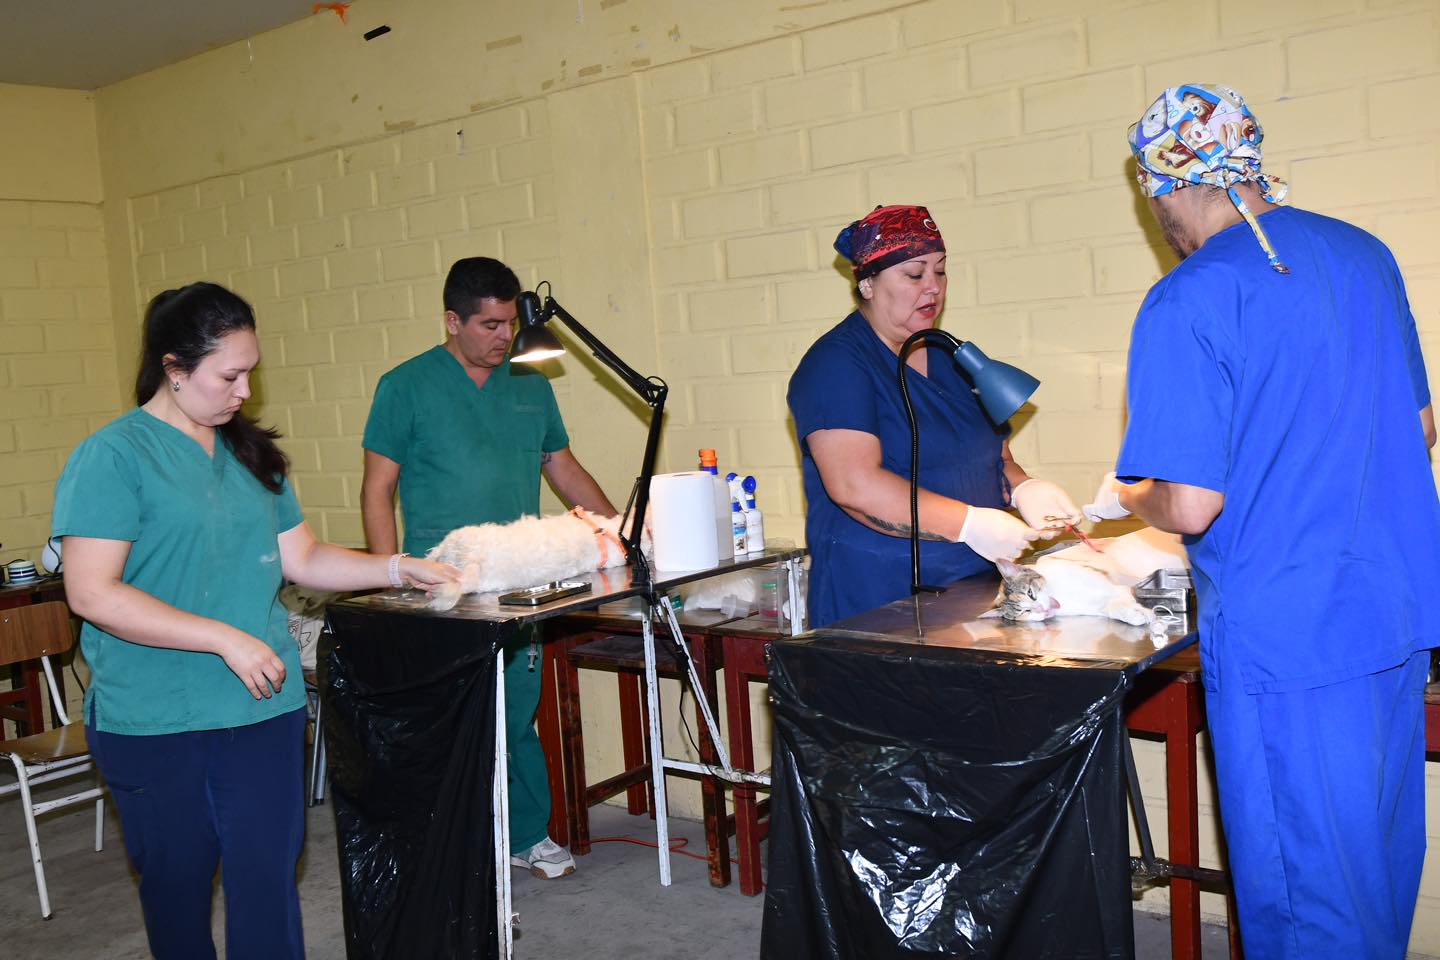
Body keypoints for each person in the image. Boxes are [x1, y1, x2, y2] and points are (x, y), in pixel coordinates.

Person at [1084, 84, 1440, 959]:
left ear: (1163, 185)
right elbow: (1420, 426)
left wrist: (1130, 492)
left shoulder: (1190, 298)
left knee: (1305, 897)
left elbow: (1193, 502)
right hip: (1393, 620)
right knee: (1375, 869)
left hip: (1291, 647)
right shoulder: (1364, 253)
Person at [52, 282, 458, 960]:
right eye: (229, 375)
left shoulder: (251, 457)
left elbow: (302, 558)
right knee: (177, 884)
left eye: (250, 373)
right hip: (156, 718)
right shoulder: (114, 456)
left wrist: (395, 568)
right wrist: (222, 638)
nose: (243, 391)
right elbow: (92, 593)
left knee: (267, 879)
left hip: (262, 707)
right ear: (174, 366)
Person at [360, 256, 616, 879]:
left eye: (510, 324)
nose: (505, 338)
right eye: (489, 325)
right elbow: (376, 491)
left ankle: (528, 833)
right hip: (441, 583)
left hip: (518, 580)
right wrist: (385, 578)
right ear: (452, 320)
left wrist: (621, 532)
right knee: (444, 719)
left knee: (515, 710)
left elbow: (563, 469)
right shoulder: (405, 386)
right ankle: (447, 840)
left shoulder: (531, 382)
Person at [787, 204, 1082, 628]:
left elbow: (994, 458)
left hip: (972, 589)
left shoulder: (951, 358)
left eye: (940, 272)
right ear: (867, 283)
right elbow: (854, 485)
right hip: (879, 602)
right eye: (914, 274)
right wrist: (968, 523)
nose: (933, 288)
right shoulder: (837, 365)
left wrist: (1024, 488)